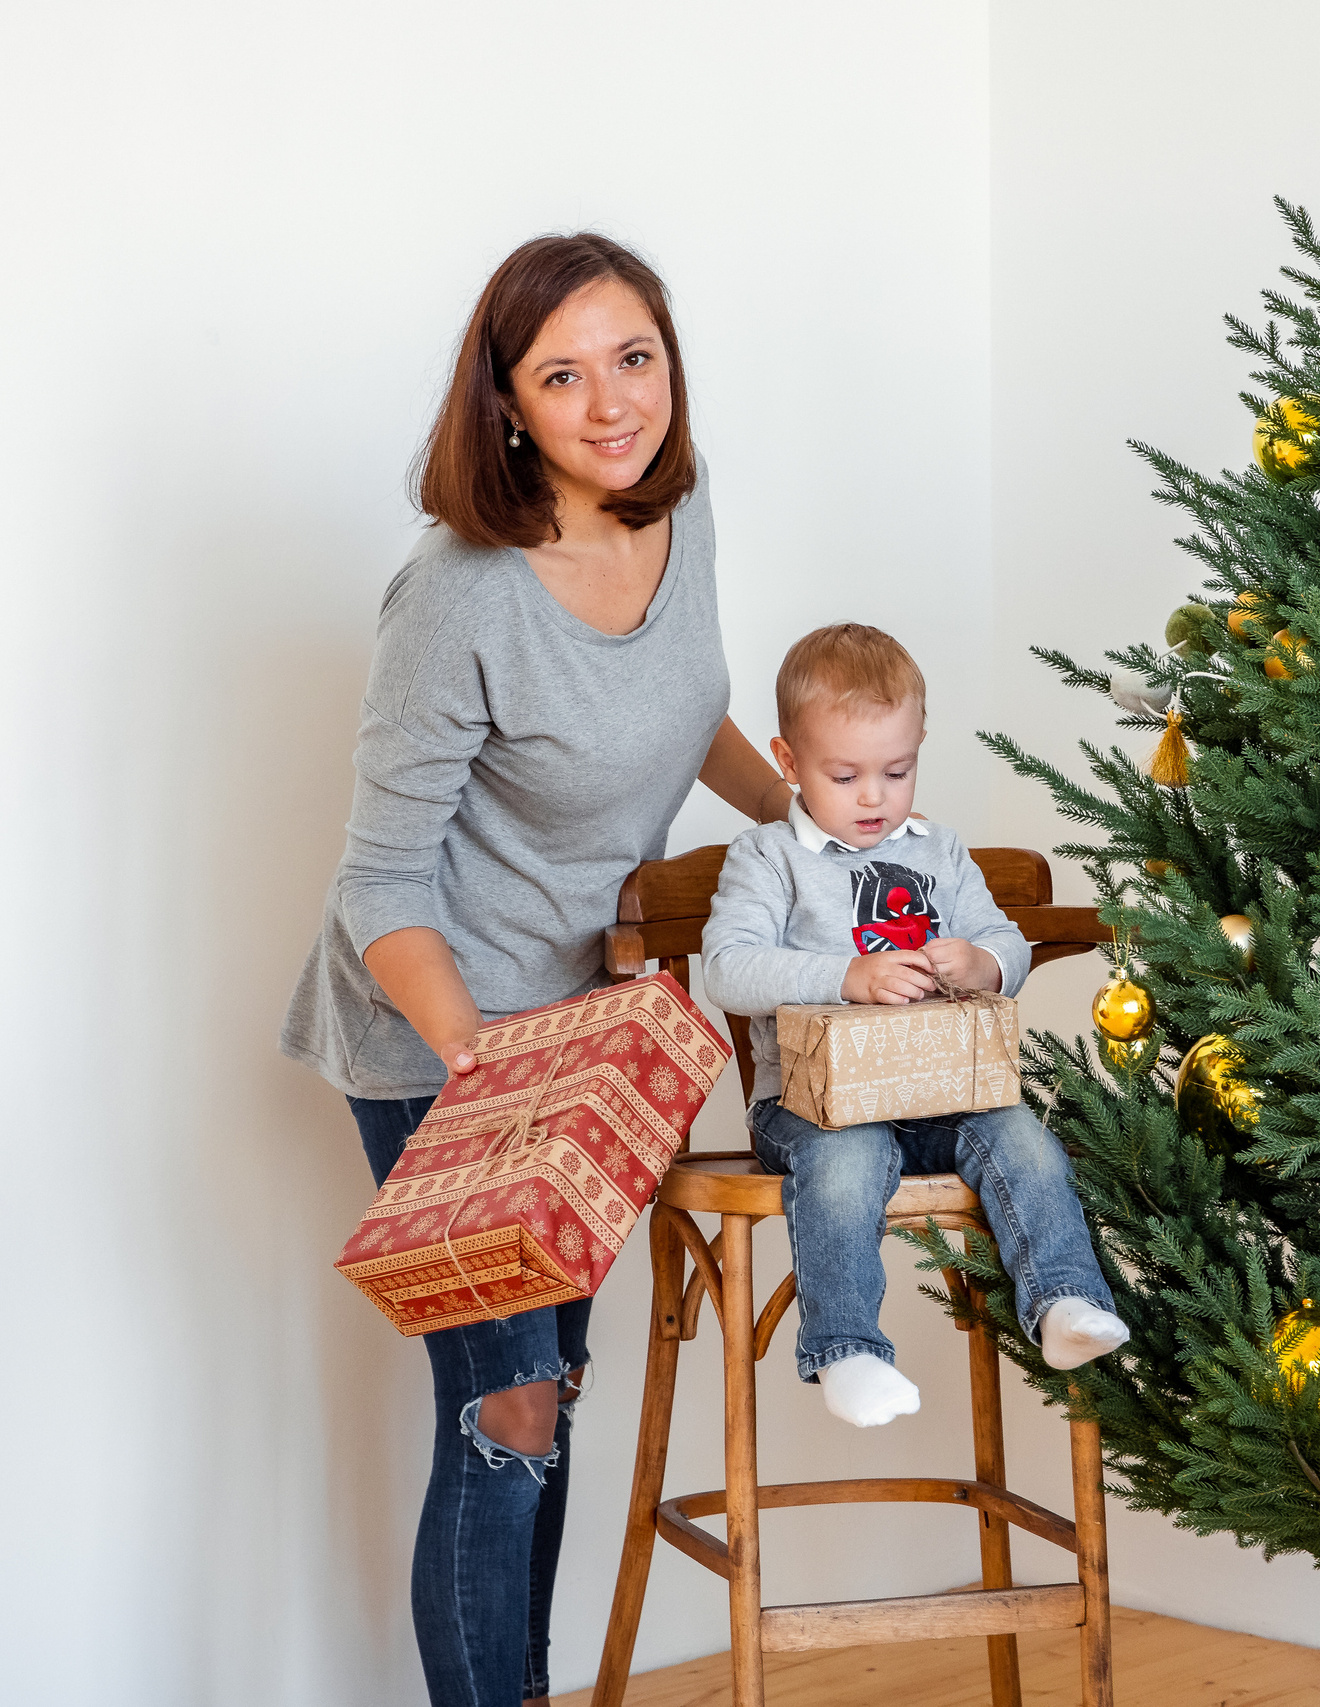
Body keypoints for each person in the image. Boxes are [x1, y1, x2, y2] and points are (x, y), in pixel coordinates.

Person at [281, 233, 790, 1706]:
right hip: (436, 1034)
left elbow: (684, 708)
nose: (611, 400)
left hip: (592, 1044)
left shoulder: (680, 514)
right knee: (501, 1402)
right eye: (561, 374)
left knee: (548, 1391)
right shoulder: (460, 594)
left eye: (634, 356)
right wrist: (490, 1070)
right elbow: (378, 881)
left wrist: (813, 818)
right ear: (506, 405)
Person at [699, 623, 1128, 1427]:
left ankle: (1064, 1300)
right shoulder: (768, 857)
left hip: (938, 1094)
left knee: (1021, 1134)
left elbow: (1006, 942)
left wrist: (986, 964)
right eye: (845, 774)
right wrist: (844, 974)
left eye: (896, 771)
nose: (874, 796)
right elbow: (729, 966)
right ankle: (847, 1347)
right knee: (849, 1157)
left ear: (919, 749)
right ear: (787, 762)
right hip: (811, 1108)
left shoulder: (938, 852)